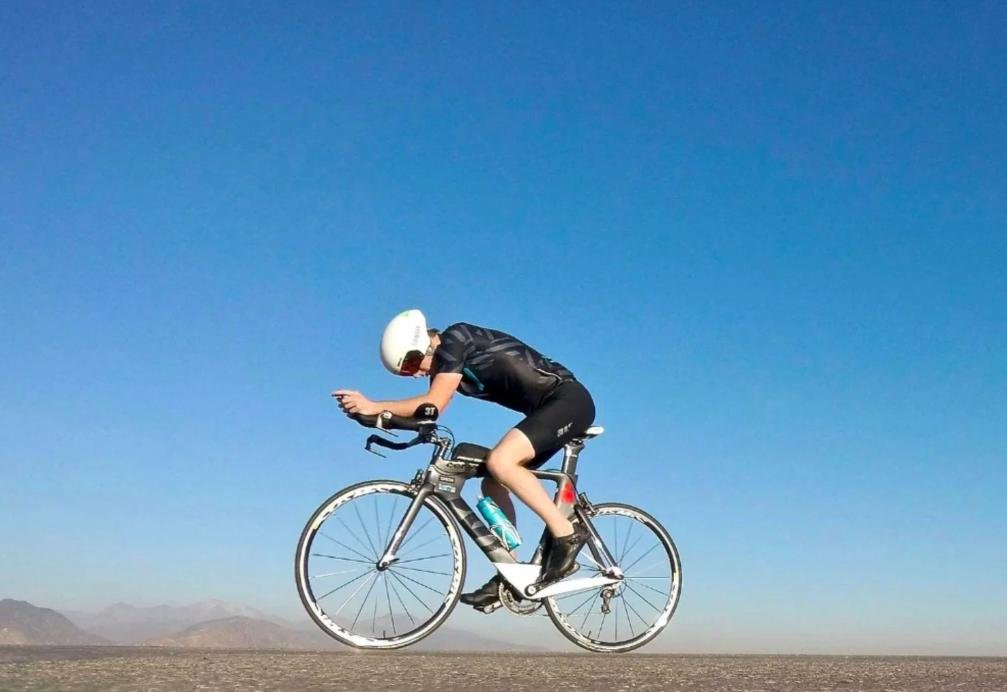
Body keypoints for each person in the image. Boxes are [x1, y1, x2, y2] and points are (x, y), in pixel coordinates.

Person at [334, 308, 596, 611]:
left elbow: (433, 403)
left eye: (412, 362)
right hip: (545, 412)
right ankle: (511, 573)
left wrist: (374, 405)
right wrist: (379, 419)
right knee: (492, 483)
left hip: (568, 400)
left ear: (426, 342)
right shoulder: (450, 366)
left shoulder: (456, 338)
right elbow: (428, 414)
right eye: (406, 372)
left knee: (501, 462)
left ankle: (567, 534)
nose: (415, 373)